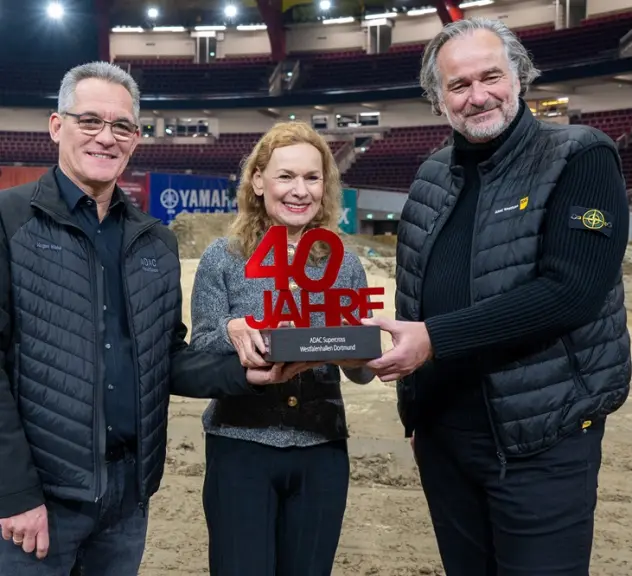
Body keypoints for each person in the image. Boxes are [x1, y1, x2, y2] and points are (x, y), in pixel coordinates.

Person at [0, 61, 307, 576]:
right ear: (57, 126)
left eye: (121, 126)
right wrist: (13, 491)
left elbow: (168, 360)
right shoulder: (8, 221)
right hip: (39, 500)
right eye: (89, 121)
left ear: (136, 138)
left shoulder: (155, 240)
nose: (106, 137)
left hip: (126, 499)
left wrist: (245, 372)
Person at [363, 17, 631, 576]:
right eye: (458, 85)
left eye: (492, 76)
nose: (478, 95)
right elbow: (414, 295)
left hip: (541, 439)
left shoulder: (580, 156)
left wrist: (436, 340)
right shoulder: (432, 175)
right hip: (446, 440)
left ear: (521, 77)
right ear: (439, 99)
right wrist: (417, 415)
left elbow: (571, 292)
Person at [189, 120, 374, 576]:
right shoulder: (223, 257)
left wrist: (361, 353)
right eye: (286, 176)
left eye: (312, 178)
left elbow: (362, 368)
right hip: (241, 446)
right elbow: (202, 347)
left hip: (321, 448)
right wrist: (237, 330)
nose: (300, 190)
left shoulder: (344, 263)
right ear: (258, 181)